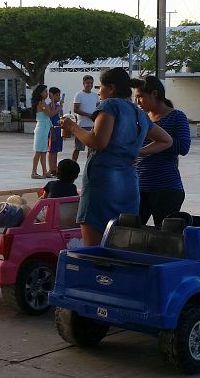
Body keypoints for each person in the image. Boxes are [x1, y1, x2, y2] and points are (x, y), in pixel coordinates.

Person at [60, 68, 173, 246]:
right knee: (121, 246)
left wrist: (72, 127)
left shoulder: (110, 105)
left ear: (111, 88)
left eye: (101, 86)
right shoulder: (138, 113)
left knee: (96, 250)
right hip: (128, 183)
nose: (99, 91)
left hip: (104, 182)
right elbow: (166, 140)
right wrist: (135, 152)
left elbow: (98, 142)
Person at [132, 76, 191, 227]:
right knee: (131, 232)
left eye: (140, 97)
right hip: (139, 186)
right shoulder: (142, 119)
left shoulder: (177, 116)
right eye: (136, 98)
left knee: (164, 235)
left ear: (154, 94)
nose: (137, 102)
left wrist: (159, 138)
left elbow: (183, 147)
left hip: (166, 187)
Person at [72, 75, 99, 161]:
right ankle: (72, 164)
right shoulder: (79, 95)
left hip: (93, 125)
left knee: (91, 148)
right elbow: (75, 109)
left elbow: (98, 108)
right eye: (88, 83)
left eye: (91, 83)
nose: (90, 85)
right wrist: (88, 115)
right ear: (83, 83)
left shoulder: (95, 95)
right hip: (82, 125)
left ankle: (88, 165)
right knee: (78, 147)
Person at [31, 85, 55, 179]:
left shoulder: (43, 102)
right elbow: (51, 114)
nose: (47, 93)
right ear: (40, 93)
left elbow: (50, 112)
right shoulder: (41, 103)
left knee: (43, 151)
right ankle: (34, 172)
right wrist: (58, 107)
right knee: (38, 151)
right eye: (45, 91)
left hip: (44, 128)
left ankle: (45, 171)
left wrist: (52, 101)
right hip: (41, 128)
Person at [47, 87, 63, 177]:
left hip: (58, 129)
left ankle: (54, 167)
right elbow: (50, 117)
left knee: (56, 150)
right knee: (51, 150)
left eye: (59, 95)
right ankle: (51, 168)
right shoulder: (50, 106)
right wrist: (52, 132)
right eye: (57, 95)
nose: (59, 97)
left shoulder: (58, 106)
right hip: (52, 129)